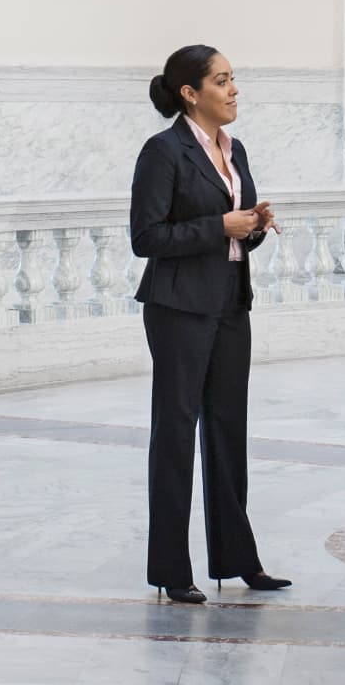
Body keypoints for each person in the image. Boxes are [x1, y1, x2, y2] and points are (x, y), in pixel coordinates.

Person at [129, 44, 292, 604]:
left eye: (234, 79)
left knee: (228, 432)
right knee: (175, 434)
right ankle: (172, 571)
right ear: (190, 94)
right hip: (177, 310)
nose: (234, 90)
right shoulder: (163, 151)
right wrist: (219, 224)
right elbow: (145, 238)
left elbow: (231, 229)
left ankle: (237, 560)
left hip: (229, 304)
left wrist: (252, 226)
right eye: (222, 81)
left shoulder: (235, 148)